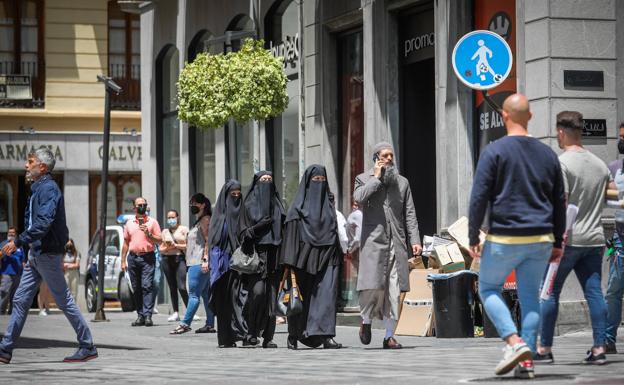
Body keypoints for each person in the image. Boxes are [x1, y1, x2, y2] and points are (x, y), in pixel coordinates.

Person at [468, 94, 566, 379]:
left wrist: (474, 234)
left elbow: (479, 197)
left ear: (504, 117)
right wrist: (558, 241)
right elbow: (558, 200)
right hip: (540, 239)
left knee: (487, 289)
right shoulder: (548, 154)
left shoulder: (494, 151)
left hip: (505, 237)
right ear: (531, 117)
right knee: (530, 298)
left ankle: (515, 342)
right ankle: (526, 363)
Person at [0, 148, 97, 364]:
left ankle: (87, 345)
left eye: (30, 161)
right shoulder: (37, 190)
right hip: (36, 255)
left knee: (64, 301)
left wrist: (18, 241)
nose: (26, 165)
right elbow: (34, 223)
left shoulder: (49, 189)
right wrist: (26, 249)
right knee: (20, 300)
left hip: (47, 254)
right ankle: (5, 350)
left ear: (42, 167)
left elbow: (43, 223)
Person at [536, 111, 611, 365]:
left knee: (549, 293)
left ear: (560, 132)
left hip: (567, 241)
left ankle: (544, 349)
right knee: (595, 294)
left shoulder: (562, 163)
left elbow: (561, 203)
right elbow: (613, 198)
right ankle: (599, 348)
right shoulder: (600, 164)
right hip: (595, 239)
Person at [353, 142, 422, 350]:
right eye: (385, 155)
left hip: (397, 243)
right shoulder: (363, 179)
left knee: (394, 290)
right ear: (376, 158)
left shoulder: (402, 183)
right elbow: (358, 198)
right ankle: (365, 321)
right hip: (373, 242)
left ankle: (389, 336)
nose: (389, 158)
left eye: (392, 155)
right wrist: (375, 178)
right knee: (372, 286)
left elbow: (409, 213)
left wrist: (415, 240)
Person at [281, 165, 343, 350]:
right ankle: (294, 335)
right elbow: (291, 237)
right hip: (302, 259)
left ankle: (325, 336)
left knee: (326, 296)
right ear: (307, 184)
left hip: (328, 256)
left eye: (322, 181)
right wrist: (290, 263)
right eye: (315, 181)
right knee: (300, 297)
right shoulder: (296, 211)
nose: (319, 184)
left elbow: (334, 231)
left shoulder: (329, 207)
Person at [239, 171, 285, 348]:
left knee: (272, 300)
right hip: (255, 256)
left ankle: (268, 337)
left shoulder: (278, 205)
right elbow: (243, 233)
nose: (266, 183)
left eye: (270, 180)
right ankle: (251, 332)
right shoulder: (248, 205)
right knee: (257, 294)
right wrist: (258, 228)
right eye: (263, 180)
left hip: (274, 257)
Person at [208, 181, 247, 347]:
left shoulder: (244, 213)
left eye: (239, 194)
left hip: (242, 265)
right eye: (233, 194)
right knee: (224, 302)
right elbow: (213, 242)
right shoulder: (219, 218)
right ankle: (225, 338)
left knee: (240, 300)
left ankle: (244, 334)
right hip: (223, 267)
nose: (236, 197)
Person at [170, 193, 216, 335]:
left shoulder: (205, 220)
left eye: (195, 203)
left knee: (193, 295)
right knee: (206, 295)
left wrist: (206, 259)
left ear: (203, 205)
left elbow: (209, 241)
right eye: (191, 203)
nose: (192, 206)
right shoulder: (199, 221)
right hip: (196, 262)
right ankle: (209, 324)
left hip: (199, 262)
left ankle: (185, 324)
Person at [121, 197, 162, 327]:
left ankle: (148, 315)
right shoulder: (129, 223)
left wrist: (149, 234)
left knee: (147, 286)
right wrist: (123, 261)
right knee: (136, 288)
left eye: (144, 204)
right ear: (134, 208)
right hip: (133, 258)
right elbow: (126, 243)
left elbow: (160, 240)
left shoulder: (152, 222)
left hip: (147, 257)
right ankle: (140, 316)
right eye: (139, 205)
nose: (142, 207)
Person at [606, 121, 624, 354]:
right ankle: (609, 338)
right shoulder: (613, 168)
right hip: (620, 237)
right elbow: (610, 201)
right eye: (621, 136)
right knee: (613, 289)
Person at [160, 209, 190, 322]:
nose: (171, 219)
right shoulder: (165, 231)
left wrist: (175, 245)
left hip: (180, 258)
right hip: (167, 259)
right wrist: (169, 247)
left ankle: (189, 311)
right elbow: (162, 248)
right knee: (172, 287)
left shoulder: (184, 229)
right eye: (169, 217)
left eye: (173, 217)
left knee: (182, 286)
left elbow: (188, 245)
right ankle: (176, 312)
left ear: (178, 217)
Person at [0, 227, 25, 315]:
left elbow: (23, 260)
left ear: (15, 234)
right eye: (9, 233)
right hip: (7, 273)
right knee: (4, 294)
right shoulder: (3, 244)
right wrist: (3, 253)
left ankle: (12, 314)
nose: (11, 234)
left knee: (15, 296)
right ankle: (1, 313)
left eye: (12, 233)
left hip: (18, 274)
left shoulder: (19, 246)